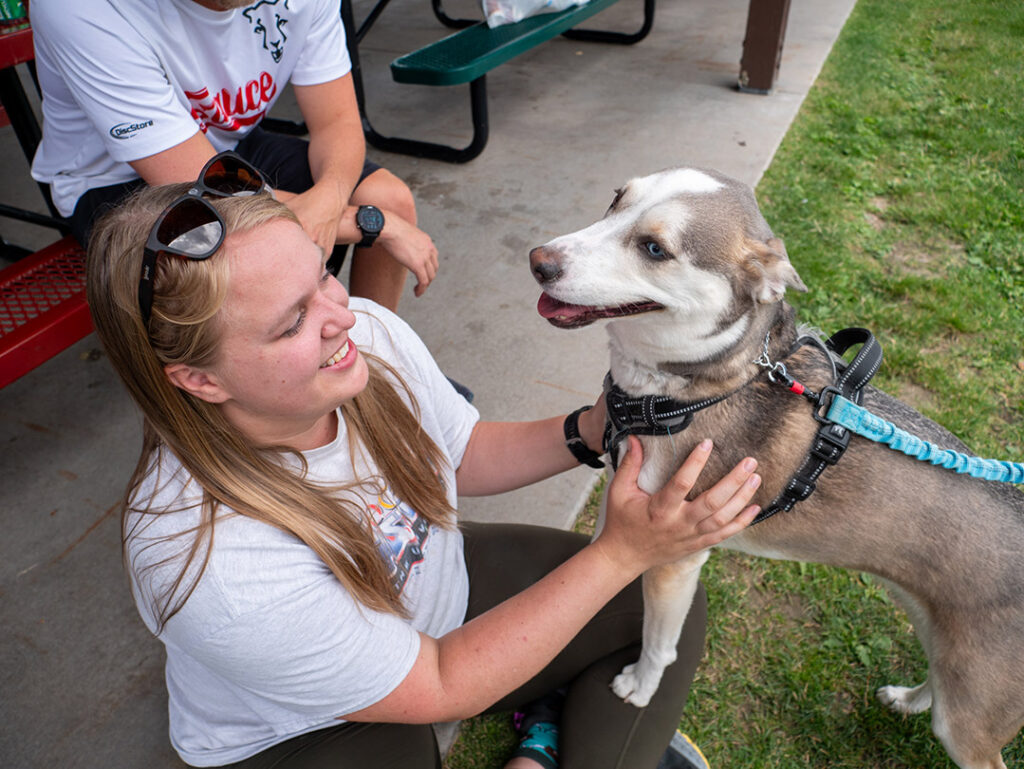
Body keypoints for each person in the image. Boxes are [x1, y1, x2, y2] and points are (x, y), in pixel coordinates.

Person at [85, 153, 764, 769]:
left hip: (436, 601)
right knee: (408, 739)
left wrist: (592, 428)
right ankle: (550, 739)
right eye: (292, 322)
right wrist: (616, 551)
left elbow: (460, 451)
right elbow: (440, 681)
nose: (343, 315)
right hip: (305, 730)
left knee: (656, 604)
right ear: (200, 380)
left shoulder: (364, 336)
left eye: (323, 272)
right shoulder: (206, 559)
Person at [30, 0, 436, 312]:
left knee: (388, 197)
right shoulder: (81, 8)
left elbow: (337, 122)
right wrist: (375, 226)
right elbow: (202, 185)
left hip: (228, 146)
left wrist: (333, 200)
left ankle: (375, 371)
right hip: (112, 181)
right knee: (253, 257)